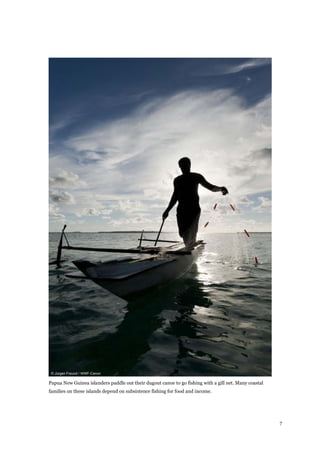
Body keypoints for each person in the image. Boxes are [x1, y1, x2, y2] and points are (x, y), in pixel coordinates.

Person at [162, 157, 228, 248]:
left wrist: (220, 189)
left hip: (194, 210)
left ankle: (190, 248)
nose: (183, 168)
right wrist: (167, 210)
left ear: (190, 165)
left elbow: (210, 187)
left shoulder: (196, 177)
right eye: (181, 166)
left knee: (190, 234)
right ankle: (189, 245)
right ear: (179, 167)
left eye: (185, 165)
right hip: (181, 210)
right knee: (182, 234)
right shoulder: (177, 180)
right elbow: (175, 196)